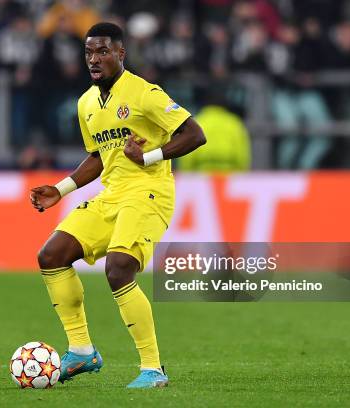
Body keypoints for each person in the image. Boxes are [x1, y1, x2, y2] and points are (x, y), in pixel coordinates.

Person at [29, 22, 206, 388]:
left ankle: (153, 369)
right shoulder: (86, 103)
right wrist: (60, 190)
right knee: (51, 255)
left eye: (103, 52)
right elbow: (98, 156)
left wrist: (151, 156)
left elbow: (194, 134)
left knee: (119, 267)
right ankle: (81, 351)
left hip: (149, 192)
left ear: (121, 54)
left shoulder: (145, 93)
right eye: (89, 53)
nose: (94, 60)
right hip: (111, 194)